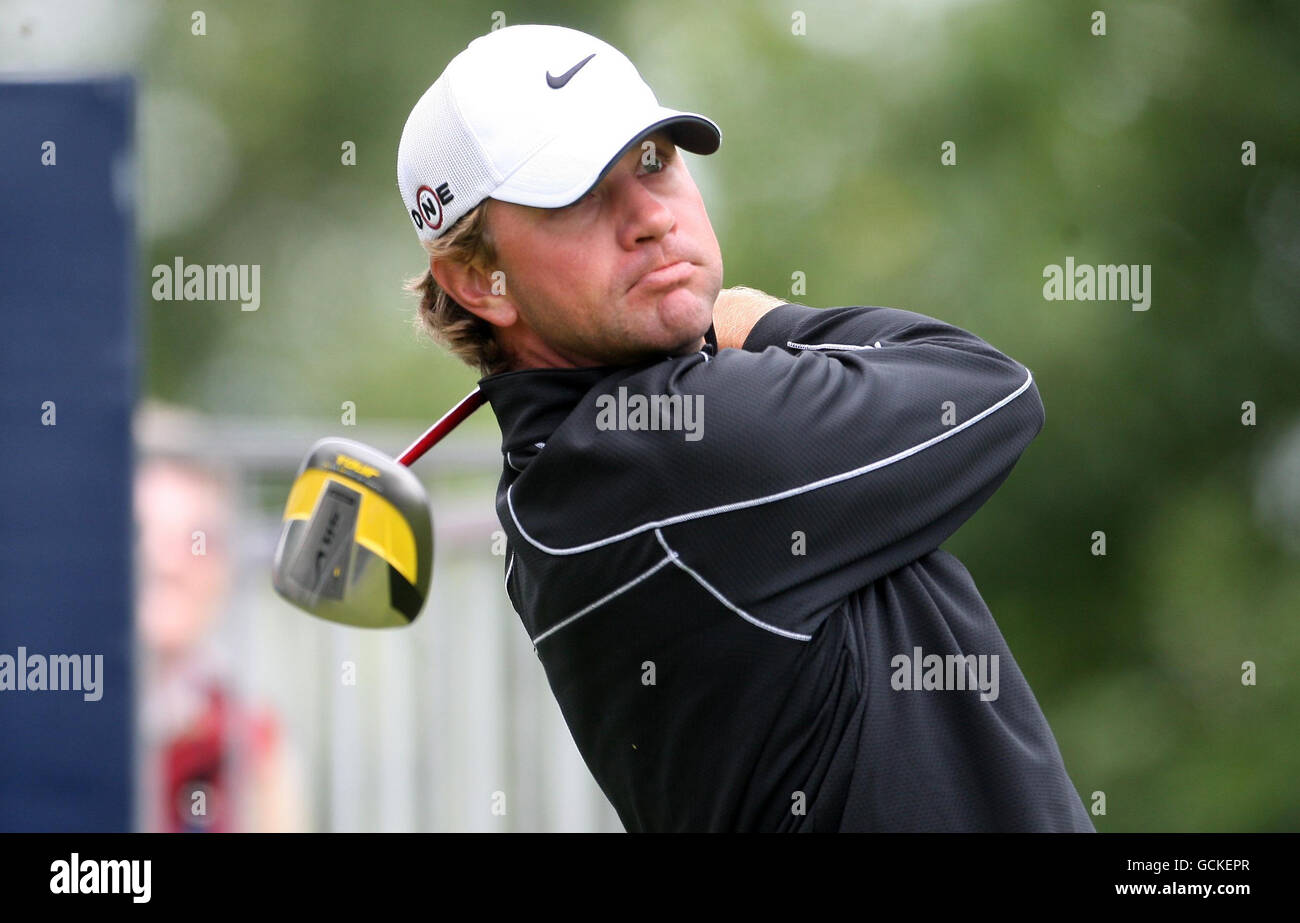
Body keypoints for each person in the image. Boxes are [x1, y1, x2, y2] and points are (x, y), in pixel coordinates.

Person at [396, 24, 1094, 832]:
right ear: (482, 279)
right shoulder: (670, 451)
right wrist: (762, 322)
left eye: (653, 161)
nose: (650, 217)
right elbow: (989, 391)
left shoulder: (562, 482)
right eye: (579, 194)